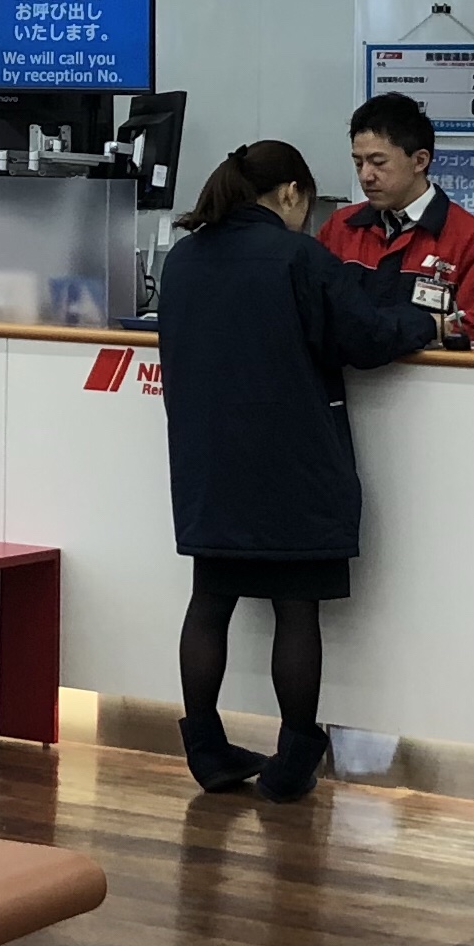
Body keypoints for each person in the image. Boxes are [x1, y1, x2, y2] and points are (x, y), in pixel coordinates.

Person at [150, 137, 441, 801]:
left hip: (208, 462)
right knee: (295, 607)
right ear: (290, 193)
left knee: (210, 599)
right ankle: (292, 759)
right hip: (291, 460)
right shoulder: (296, 257)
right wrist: (425, 325)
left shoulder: (184, 259)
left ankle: (205, 747)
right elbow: (364, 337)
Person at [318, 92, 474, 344]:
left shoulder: (470, 239)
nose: (366, 176)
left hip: (430, 369)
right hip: (348, 369)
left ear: (419, 161)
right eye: (358, 163)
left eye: (378, 162)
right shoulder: (340, 228)